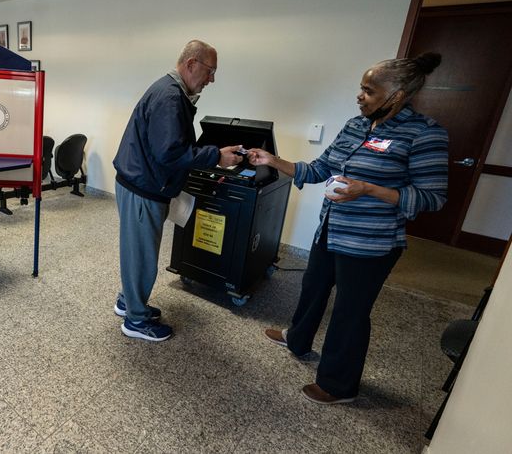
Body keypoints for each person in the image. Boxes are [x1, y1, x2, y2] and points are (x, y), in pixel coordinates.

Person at [248, 52, 448, 404]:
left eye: (369, 91)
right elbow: (319, 169)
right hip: (331, 228)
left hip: (372, 243)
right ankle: (297, 338)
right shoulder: (355, 125)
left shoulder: (425, 134)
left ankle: (339, 385)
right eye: (361, 88)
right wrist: (272, 160)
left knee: (350, 312)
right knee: (312, 287)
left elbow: (432, 198)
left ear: (397, 95)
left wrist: (369, 189)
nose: (360, 96)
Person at [112, 39, 244, 342]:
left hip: (139, 181)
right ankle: (135, 320)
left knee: (136, 249)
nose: (212, 79)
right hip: (143, 187)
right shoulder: (170, 97)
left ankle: (128, 300)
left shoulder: (172, 92)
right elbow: (170, 153)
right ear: (191, 64)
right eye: (210, 71)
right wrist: (216, 156)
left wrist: (212, 151)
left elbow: (172, 146)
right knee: (142, 255)